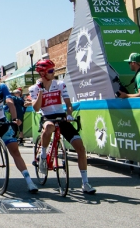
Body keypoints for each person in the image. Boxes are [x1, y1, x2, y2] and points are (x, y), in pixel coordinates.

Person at [30, 59, 96, 194]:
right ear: (42, 73)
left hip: (61, 116)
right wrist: (41, 92)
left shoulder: (60, 84)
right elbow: (36, 108)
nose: (53, 73)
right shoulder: (34, 88)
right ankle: (43, 156)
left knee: (81, 148)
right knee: (48, 127)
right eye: (50, 71)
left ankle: (85, 183)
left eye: (53, 70)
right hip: (47, 117)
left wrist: (70, 113)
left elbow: (68, 102)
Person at [0, 65, 38, 194]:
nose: (0, 78)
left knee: (15, 151)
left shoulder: (2, 87)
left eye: (0, 76)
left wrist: (15, 119)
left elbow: (9, 102)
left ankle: (29, 181)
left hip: (2, 120)